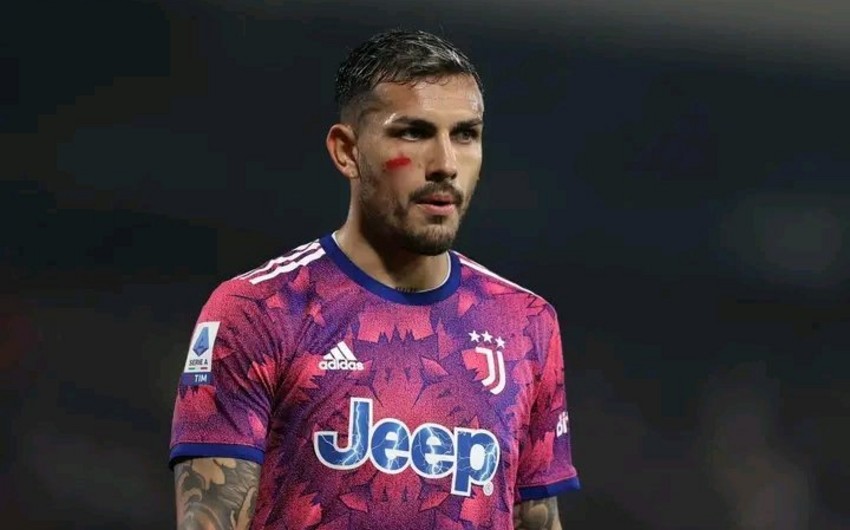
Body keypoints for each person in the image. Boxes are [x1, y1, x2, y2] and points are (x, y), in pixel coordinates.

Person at [169, 29, 579, 530]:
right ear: (347, 151)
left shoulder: (525, 322)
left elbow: (537, 519)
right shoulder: (259, 310)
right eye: (413, 133)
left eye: (465, 135)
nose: (445, 164)